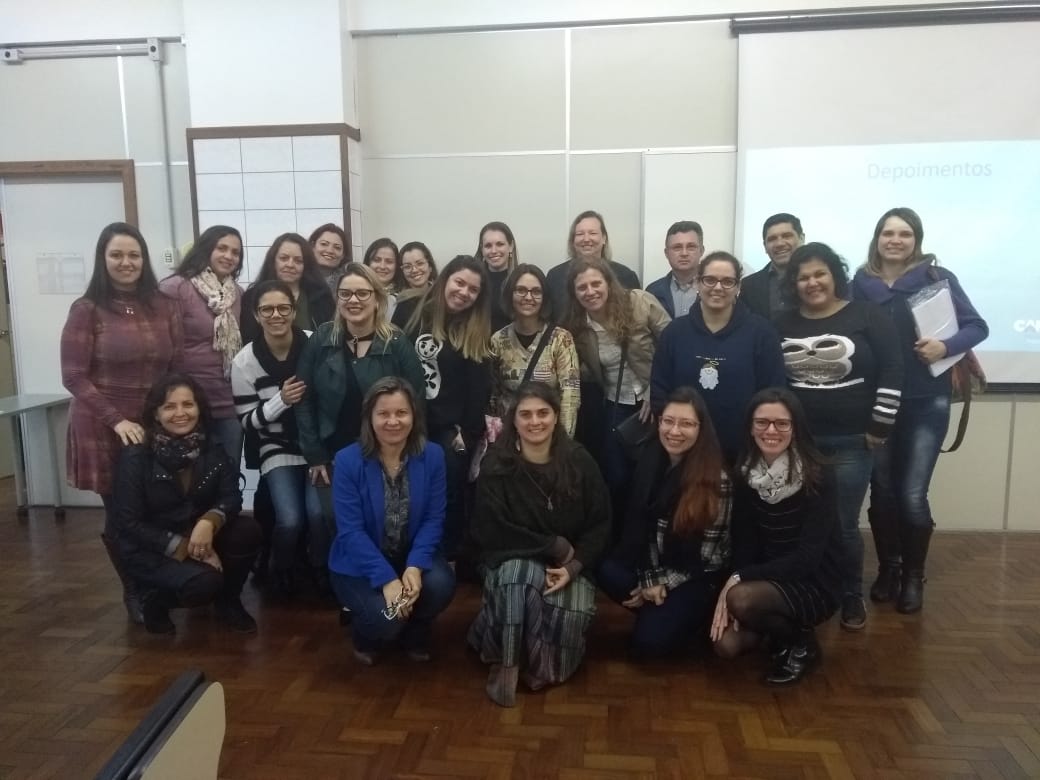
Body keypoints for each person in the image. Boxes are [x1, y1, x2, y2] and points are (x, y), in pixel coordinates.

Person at [852, 207, 988, 614]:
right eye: (888, 233)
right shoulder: (859, 284)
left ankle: (914, 576)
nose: (895, 240)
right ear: (877, 238)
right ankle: (889, 570)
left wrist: (945, 347)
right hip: (876, 403)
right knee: (882, 491)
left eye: (905, 234)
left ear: (917, 240)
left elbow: (977, 326)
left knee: (911, 494)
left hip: (927, 401)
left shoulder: (936, 279)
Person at [774, 242, 903, 631]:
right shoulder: (781, 323)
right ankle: (807, 590)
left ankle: (850, 594)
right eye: (803, 277)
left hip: (851, 440)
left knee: (843, 524)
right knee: (798, 521)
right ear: (793, 284)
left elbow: (893, 369)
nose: (812, 282)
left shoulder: (867, 314)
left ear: (835, 276)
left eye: (820, 274)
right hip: (798, 443)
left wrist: (880, 425)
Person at [60, 222, 182, 624]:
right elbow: (73, 376)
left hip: (152, 424)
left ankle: (159, 580)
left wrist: (173, 414)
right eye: (116, 255)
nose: (126, 262)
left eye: (134, 254)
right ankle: (135, 589)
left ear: (143, 259)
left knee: (153, 508)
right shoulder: (86, 309)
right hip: (103, 425)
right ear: (103, 259)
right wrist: (117, 421)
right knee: (122, 513)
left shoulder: (164, 305)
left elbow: (175, 365)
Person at [468, 382, 611, 707]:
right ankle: (507, 664)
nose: (535, 421)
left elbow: (601, 524)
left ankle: (541, 664)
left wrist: (573, 566)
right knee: (516, 580)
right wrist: (552, 545)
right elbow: (490, 530)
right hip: (510, 556)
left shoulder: (580, 461)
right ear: (514, 420)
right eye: (526, 414)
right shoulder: (496, 464)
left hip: (570, 565)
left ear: (556, 416)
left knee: (567, 613)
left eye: (543, 413)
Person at [109, 374, 261, 635]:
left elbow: (231, 497)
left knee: (248, 531)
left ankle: (229, 602)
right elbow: (128, 523)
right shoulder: (136, 456)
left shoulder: (211, 446)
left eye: (188, 404)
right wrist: (185, 547)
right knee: (205, 583)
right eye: (170, 406)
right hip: (150, 550)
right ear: (156, 414)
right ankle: (155, 600)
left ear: (199, 408)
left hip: (196, 534)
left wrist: (209, 522)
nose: (181, 413)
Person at [710, 388, 842, 685]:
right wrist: (736, 578)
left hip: (815, 580)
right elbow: (745, 543)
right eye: (762, 422)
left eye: (782, 423)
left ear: (795, 428)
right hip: (769, 575)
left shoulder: (818, 474)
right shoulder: (745, 472)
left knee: (741, 598)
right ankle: (777, 632)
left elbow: (808, 559)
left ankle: (802, 644)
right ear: (750, 427)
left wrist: (740, 580)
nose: (771, 431)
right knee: (725, 645)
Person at [329, 377, 456, 664]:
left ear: (414, 416)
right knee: (385, 619)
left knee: (440, 584)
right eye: (383, 414)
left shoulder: (433, 455)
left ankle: (415, 629)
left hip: (409, 555)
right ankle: (366, 634)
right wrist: (386, 579)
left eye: (401, 412)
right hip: (361, 564)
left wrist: (414, 566)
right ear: (369, 418)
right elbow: (351, 532)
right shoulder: (347, 461)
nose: (393, 421)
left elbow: (434, 519)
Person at [598, 387, 731, 660]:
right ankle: (662, 614)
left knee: (648, 645)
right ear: (659, 422)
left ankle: (683, 617)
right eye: (668, 421)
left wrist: (663, 583)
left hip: (695, 575)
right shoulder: (651, 461)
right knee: (605, 569)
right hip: (655, 565)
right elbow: (644, 530)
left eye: (686, 424)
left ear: (701, 429)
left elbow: (708, 557)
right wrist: (650, 579)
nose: (674, 431)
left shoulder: (717, 480)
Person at [295, 263, 425, 544]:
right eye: (346, 294)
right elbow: (303, 399)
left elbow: (416, 398)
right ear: (337, 298)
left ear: (377, 299)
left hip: (383, 451)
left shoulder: (396, 341)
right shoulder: (321, 339)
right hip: (330, 451)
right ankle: (327, 568)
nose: (353, 300)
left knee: (375, 518)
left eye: (362, 293)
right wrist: (315, 455)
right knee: (321, 516)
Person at [393, 255, 494, 559]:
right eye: (459, 282)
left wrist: (469, 432)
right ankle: (401, 554)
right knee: (402, 491)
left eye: (473, 289)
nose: (464, 292)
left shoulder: (474, 328)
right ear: (445, 279)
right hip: (401, 421)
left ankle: (445, 558)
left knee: (448, 494)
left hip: (446, 429)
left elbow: (479, 387)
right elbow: (390, 360)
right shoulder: (411, 310)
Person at [231, 280, 327, 599]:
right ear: (256, 315)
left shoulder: (315, 343)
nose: (276, 315)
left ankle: (319, 568)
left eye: (283, 308)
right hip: (275, 447)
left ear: (294, 311)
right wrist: (281, 400)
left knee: (319, 515)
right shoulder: (244, 361)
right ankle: (279, 569)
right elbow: (248, 422)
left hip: (317, 447)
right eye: (267, 309)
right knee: (290, 519)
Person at [564, 259, 671, 528]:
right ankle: (621, 534)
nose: (590, 291)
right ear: (574, 293)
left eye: (596, 283)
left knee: (654, 475)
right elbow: (583, 370)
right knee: (617, 476)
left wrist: (656, 391)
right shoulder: (577, 327)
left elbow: (675, 345)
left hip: (658, 401)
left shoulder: (640, 302)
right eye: (582, 287)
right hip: (616, 405)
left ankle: (651, 535)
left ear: (609, 283)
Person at [650, 251, 786, 461]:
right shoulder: (674, 332)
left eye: (728, 281)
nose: (718, 287)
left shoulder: (762, 333)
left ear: (738, 287)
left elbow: (773, 393)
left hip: (743, 449)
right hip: (684, 447)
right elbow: (660, 390)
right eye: (710, 280)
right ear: (698, 283)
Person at [160, 225, 245, 463]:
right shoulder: (176, 287)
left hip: (228, 401)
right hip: (186, 403)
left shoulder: (237, 293)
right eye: (222, 248)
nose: (229, 256)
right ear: (206, 249)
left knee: (229, 472)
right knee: (188, 473)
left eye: (235, 252)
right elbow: (162, 345)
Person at [490, 264, 581, 436]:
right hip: (509, 435)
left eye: (536, 292)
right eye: (521, 290)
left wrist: (562, 442)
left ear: (544, 298)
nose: (528, 297)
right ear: (510, 295)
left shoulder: (561, 339)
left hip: (548, 434)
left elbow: (570, 397)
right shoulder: (498, 340)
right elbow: (494, 396)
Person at [240, 232, 335, 346]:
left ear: (306, 265)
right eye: (284, 258)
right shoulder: (251, 297)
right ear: (273, 261)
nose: (290, 265)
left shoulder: (321, 298)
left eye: (298, 261)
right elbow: (249, 341)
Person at [545, 211, 641, 317]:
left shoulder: (626, 275)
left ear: (604, 238)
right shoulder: (554, 276)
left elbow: (636, 317)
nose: (586, 239)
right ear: (572, 241)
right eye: (580, 234)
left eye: (592, 233)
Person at [742, 213, 804, 320]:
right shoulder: (749, 286)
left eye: (786, 236)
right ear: (765, 246)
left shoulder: (818, 280)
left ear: (801, 238)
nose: (779, 243)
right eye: (772, 239)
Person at [646, 220, 705, 318]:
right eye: (677, 247)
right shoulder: (652, 292)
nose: (684, 253)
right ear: (666, 253)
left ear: (701, 251)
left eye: (691, 247)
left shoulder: (715, 289)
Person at [474, 221, 519, 332]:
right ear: (482, 249)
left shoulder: (521, 280)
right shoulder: (474, 282)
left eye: (500, 244)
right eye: (488, 246)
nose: (494, 251)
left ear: (511, 246)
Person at [308, 223, 348, 290]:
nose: (330, 251)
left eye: (337, 247)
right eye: (324, 244)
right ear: (312, 246)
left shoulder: (348, 282)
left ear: (343, 255)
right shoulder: (296, 278)